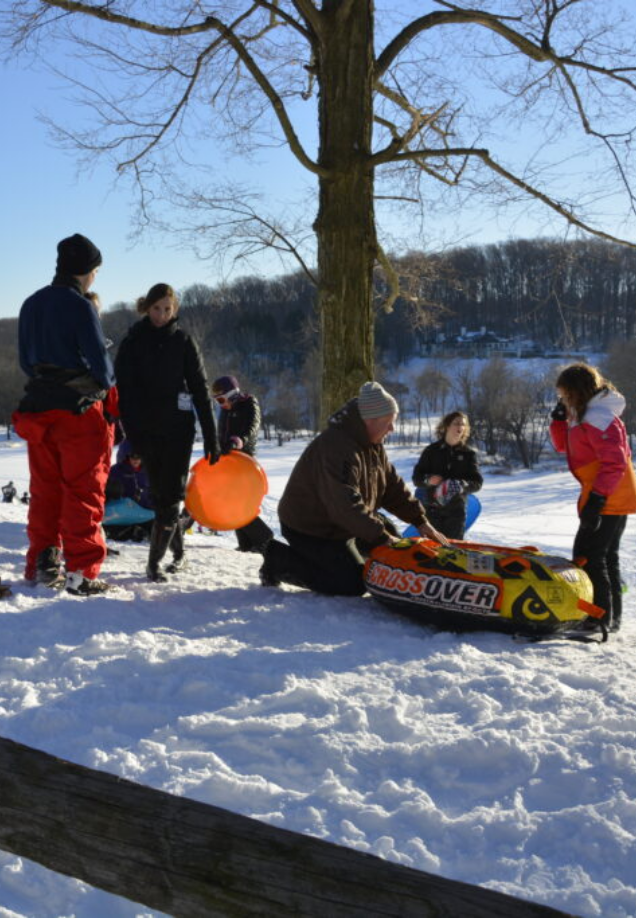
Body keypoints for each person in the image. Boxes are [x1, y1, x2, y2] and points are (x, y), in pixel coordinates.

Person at [259, 381, 448, 595]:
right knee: (352, 583)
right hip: (313, 528)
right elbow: (344, 505)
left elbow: (392, 487)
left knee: (398, 552)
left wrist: (420, 521)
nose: (392, 428)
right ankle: (279, 560)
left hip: (344, 522)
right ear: (370, 420)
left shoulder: (372, 443)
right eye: (389, 422)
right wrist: (383, 538)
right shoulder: (335, 448)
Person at [12, 233, 115, 595]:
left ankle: (43, 559)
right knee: (83, 491)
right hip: (77, 412)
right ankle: (83, 572)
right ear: (87, 271)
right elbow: (102, 368)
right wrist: (104, 383)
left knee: (45, 490)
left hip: (38, 410)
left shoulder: (31, 304)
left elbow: (26, 361)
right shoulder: (79, 305)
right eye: (95, 271)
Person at [115, 283, 220, 582]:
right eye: (157, 308)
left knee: (171, 496)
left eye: (168, 309)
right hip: (146, 433)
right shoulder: (133, 342)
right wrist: (133, 436)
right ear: (147, 307)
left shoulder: (184, 341)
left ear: (175, 310)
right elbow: (126, 394)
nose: (162, 315)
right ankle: (179, 554)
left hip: (178, 431)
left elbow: (200, 390)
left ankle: (154, 564)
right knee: (161, 496)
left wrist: (211, 437)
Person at [550, 363, 636, 633]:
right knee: (605, 555)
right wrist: (559, 420)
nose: (563, 399)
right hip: (607, 492)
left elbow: (614, 463)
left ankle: (597, 618)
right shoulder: (586, 414)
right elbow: (563, 445)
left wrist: (597, 500)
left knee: (588, 555)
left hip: (609, 493)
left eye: (565, 394)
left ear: (577, 391)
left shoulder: (599, 416)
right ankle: (610, 619)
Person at [212, 374, 273, 552]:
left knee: (240, 502)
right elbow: (221, 431)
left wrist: (240, 439)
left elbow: (253, 425)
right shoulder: (225, 410)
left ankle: (264, 538)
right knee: (233, 501)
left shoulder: (249, 403)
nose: (221, 404)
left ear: (232, 394)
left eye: (222, 399)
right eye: (217, 401)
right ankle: (246, 543)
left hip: (244, 460)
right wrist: (217, 447)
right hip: (228, 460)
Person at [412, 411, 483, 539]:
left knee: (452, 552)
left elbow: (477, 483)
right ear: (446, 426)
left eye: (463, 425)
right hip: (431, 510)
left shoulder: (469, 454)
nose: (460, 427)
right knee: (432, 552)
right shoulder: (431, 451)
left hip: (456, 512)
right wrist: (428, 480)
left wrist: (462, 485)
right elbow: (417, 479)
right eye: (456, 423)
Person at [104, 440, 154, 542]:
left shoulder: (149, 472)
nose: (135, 460)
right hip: (121, 514)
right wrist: (113, 492)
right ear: (127, 457)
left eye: (138, 457)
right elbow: (104, 492)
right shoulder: (115, 471)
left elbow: (155, 492)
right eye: (132, 456)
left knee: (158, 525)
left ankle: (140, 531)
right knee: (109, 527)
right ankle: (132, 531)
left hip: (143, 512)